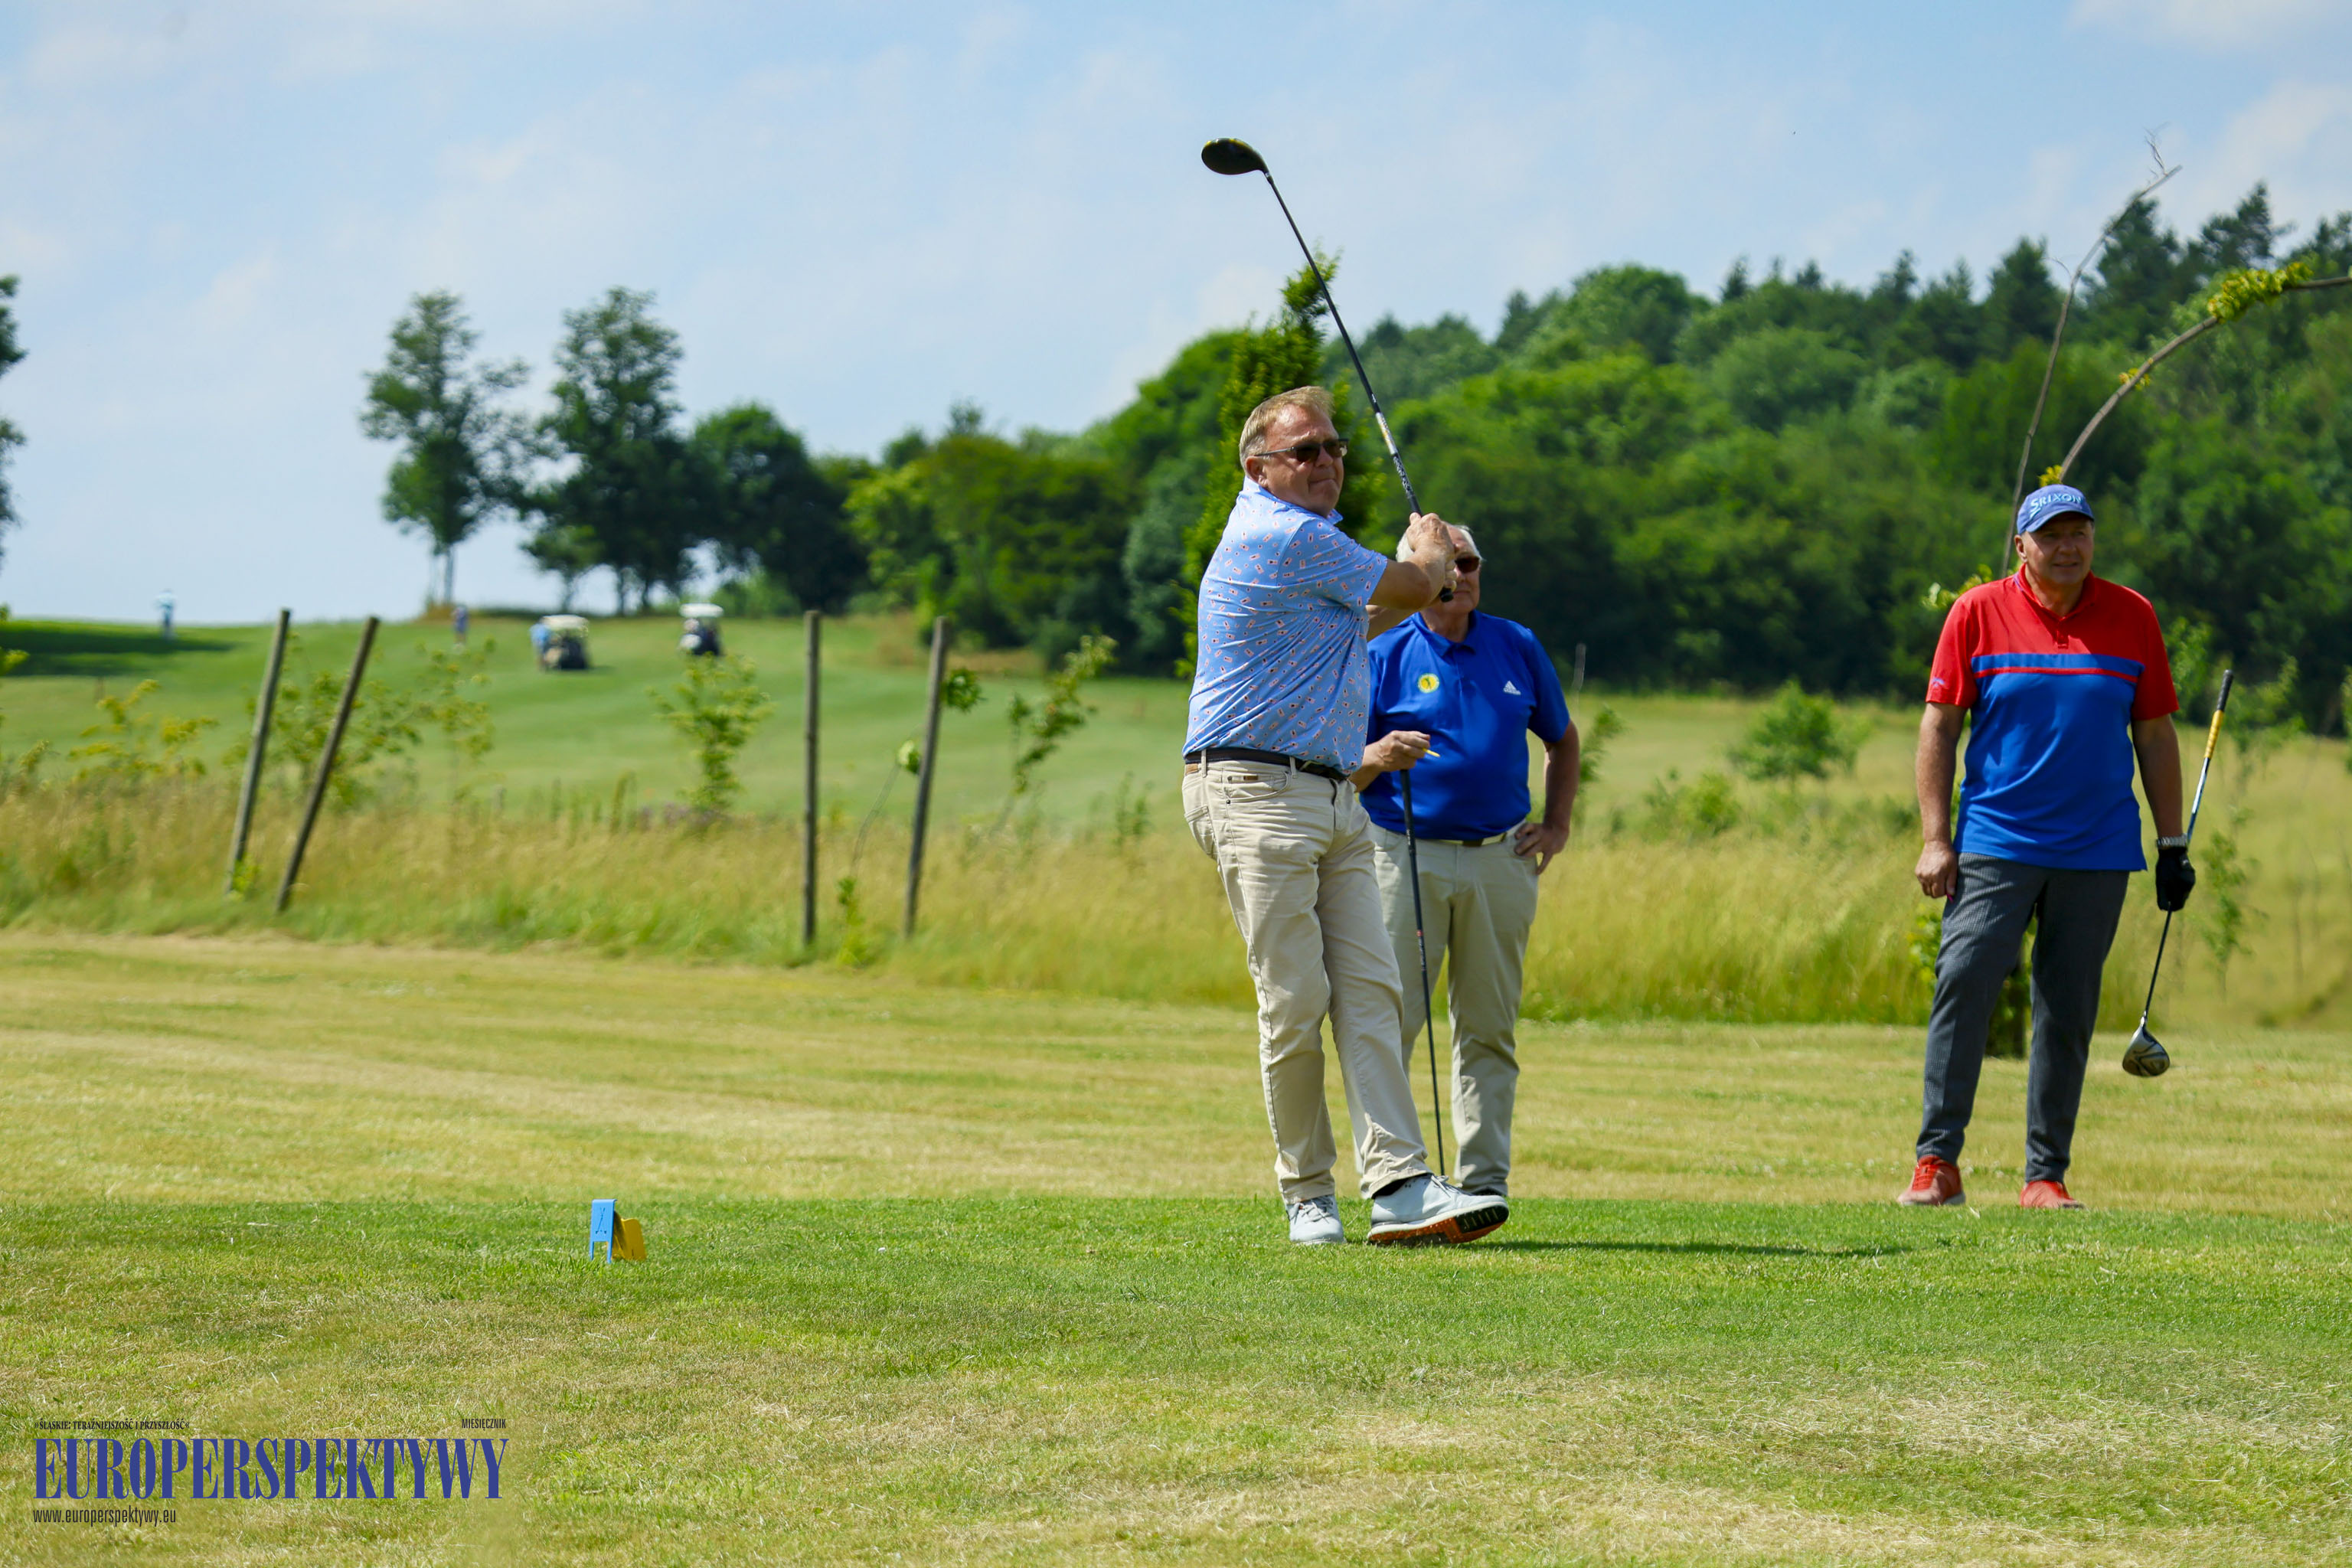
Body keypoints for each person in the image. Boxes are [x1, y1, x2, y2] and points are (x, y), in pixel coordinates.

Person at [1181, 384, 1508, 1247]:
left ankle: (1399, 1182)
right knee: (1296, 999)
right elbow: (1410, 585)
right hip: (1253, 790)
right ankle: (1308, 1194)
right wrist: (1431, 549)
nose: (1326, 462)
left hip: (1331, 789)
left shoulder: (1313, 550)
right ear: (1259, 470)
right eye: (1305, 452)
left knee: (1371, 987)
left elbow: (1382, 606)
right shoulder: (1281, 535)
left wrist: (1417, 571)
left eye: (1334, 448)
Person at [1903, 482, 2189, 1211]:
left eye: (2079, 533)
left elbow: (2154, 733)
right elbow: (1939, 726)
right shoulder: (1975, 612)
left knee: (2067, 1007)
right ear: (2021, 546)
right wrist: (1937, 839)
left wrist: (2172, 841)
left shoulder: (2133, 616)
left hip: (2096, 849)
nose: (2068, 548)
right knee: (1964, 984)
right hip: (1996, 841)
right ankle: (1938, 1163)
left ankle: (2044, 1177)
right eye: (2051, 536)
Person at [1353, 524, 1576, 1209]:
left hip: (1501, 858)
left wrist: (1558, 824)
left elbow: (1563, 740)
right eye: (1450, 562)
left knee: (1488, 1025)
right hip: (1402, 856)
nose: (1465, 574)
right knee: (1393, 1024)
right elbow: (1341, 769)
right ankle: (1397, 1178)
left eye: (1472, 562)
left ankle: (1484, 1184)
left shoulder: (1516, 643)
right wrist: (1381, 757)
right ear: (1420, 573)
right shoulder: (1380, 651)